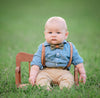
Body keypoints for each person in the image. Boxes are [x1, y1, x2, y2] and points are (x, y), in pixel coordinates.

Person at [29, 16, 86, 90]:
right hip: (46, 71)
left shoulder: (70, 47)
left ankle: (64, 88)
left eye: (58, 32)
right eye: (50, 32)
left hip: (63, 72)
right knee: (41, 78)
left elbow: (78, 61)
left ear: (65, 35)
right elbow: (36, 63)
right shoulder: (42, 47)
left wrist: (82, 73)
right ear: (45, 34)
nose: (53, 35)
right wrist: (33, 76)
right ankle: (46, 88)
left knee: (68, 79)